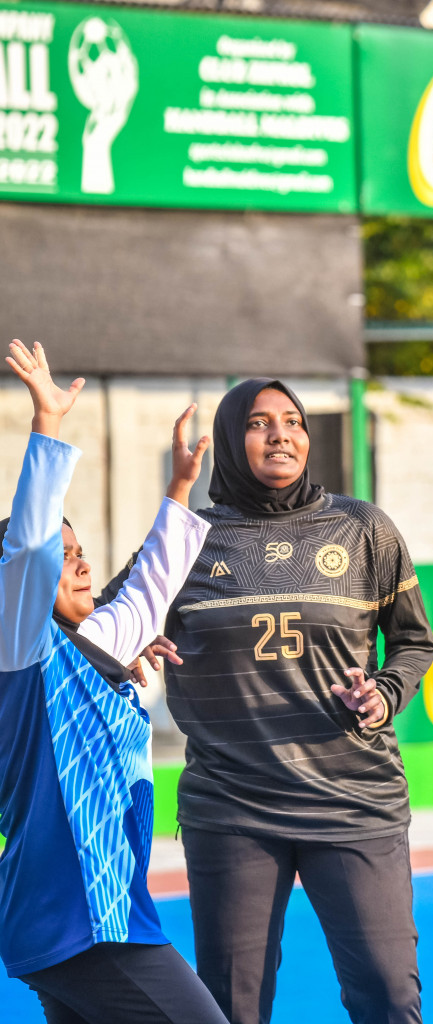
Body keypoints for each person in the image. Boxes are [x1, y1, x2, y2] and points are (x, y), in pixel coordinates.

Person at [140, 378, 433, 1024]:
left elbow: (414, 643)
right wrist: (140, 635)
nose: (281, 433)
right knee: (231, 1009)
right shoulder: (187, 540)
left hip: (356, 800)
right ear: (226, 440)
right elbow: (114, 624)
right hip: (233, 806)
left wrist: (384, 694)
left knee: (390, 997)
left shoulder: (364, 528)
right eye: (258, 422)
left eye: (293, 420)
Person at [0, 341, 223, 1023]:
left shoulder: (93, 645)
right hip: (80, 916)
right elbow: (27, 550)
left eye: (81, 551)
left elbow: (153, 582)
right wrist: (48, 423)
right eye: (64, 559)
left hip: (82, 915)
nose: (80, 564)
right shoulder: (18, 650)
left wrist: (181, 488)